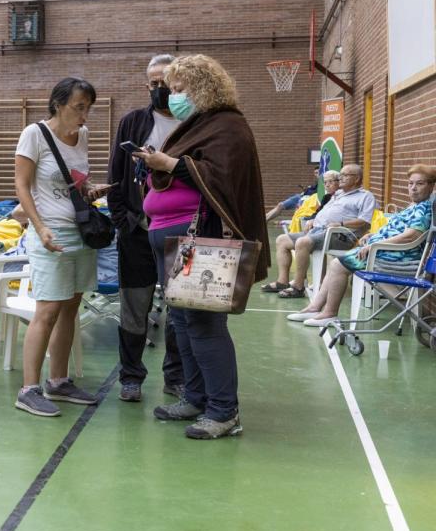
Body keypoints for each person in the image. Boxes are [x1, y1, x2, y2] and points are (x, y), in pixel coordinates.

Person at [131, 54, 269, 439]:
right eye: (171, 89)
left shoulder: (228, 126)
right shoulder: (198, 126)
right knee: (182, 322)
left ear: (202, 88)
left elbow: (220, 177)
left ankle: (224, 411)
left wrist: (170, 164)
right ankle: (195, 396)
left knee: (205, 324)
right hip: (170, 240)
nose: (172, 96)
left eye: (179, 89)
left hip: (200, 241)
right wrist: (157, 165)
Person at [13, 77, 112, 417]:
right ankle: (28, 389)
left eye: (88, 109)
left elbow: (73, 183)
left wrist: (90, 192)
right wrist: (39, 228)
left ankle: (58, 381)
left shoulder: (81, 136)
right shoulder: (34, 134)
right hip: (50, 234)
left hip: (79, 232)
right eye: (79, 107)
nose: (84, 116)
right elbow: (23, 187)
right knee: (48, 309)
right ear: (58, 104)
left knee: (72, 306)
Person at [107, 53, 185, 403]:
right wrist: (123, 220)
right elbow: (115, 174)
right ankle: (131, 376)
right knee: (134, 306)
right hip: (137, 231)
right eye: (154, 84)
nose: (160, 89)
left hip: (179, 232)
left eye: (166, 83)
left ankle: (176, 376)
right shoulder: (133, 122)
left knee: (178, 309)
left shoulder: (194, 123)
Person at [288, 165, 436, 326]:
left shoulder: (424, 209)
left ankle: (329, 314)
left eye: (419, 184)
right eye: (410, 183)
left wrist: (376, 244)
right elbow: (398, 231)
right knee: (338, 263)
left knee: (338, 265)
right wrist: (373, 235)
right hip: (383, 253)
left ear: (431, 185)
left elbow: (411, 236)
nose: (413, 188)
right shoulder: (414, 206)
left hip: (398, 259)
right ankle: (315, 308)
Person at [260, 164, 375, 299]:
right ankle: (282, 282)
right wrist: (313, 220)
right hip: (318, 230)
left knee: (303, 242)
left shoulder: (365, 196)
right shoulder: (338, 194)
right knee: (282, 240)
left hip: (341, 235)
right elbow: (326, 212)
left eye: (344, 175)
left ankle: (298, 286)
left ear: (356, 179)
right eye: (340, 175)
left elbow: (365, 221)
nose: (340, 178)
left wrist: (341, 223)